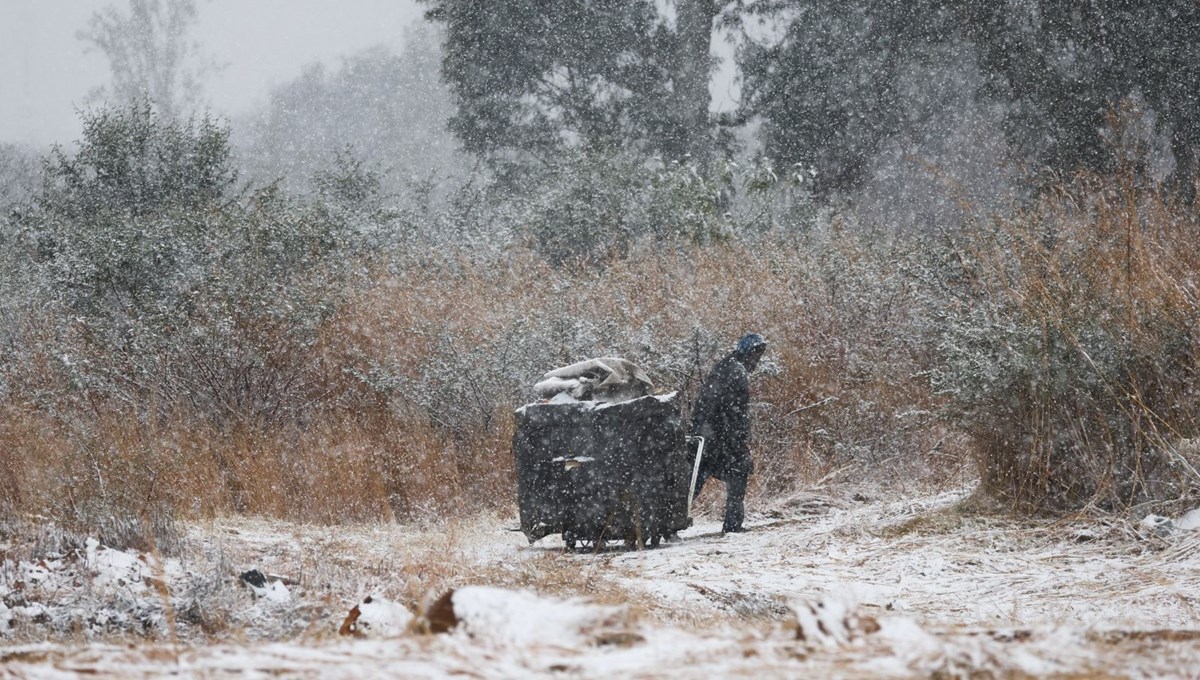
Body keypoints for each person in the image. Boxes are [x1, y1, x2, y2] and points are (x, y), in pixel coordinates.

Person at [690, 333, 767, 533]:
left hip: (705, 436)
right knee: (738, 475)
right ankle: (733, 525)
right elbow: (736, 412)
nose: (757, 361)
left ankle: (669, 521)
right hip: (721, 438)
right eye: (756, 355)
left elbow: (708, 403)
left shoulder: (724, 367)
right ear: (748, 353)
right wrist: (738, 441)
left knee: (694, 480)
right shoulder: (737, 372)